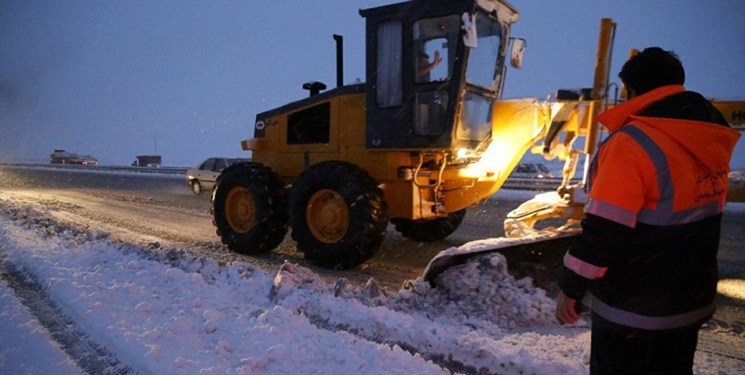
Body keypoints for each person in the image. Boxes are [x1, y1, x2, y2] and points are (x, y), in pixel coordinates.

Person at [555, 47, 741, 374]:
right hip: (690, 303)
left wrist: (570, 288)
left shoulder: (631, 145)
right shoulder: (711, 135)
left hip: (633, 310)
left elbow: (605, 231)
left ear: (633, 91)